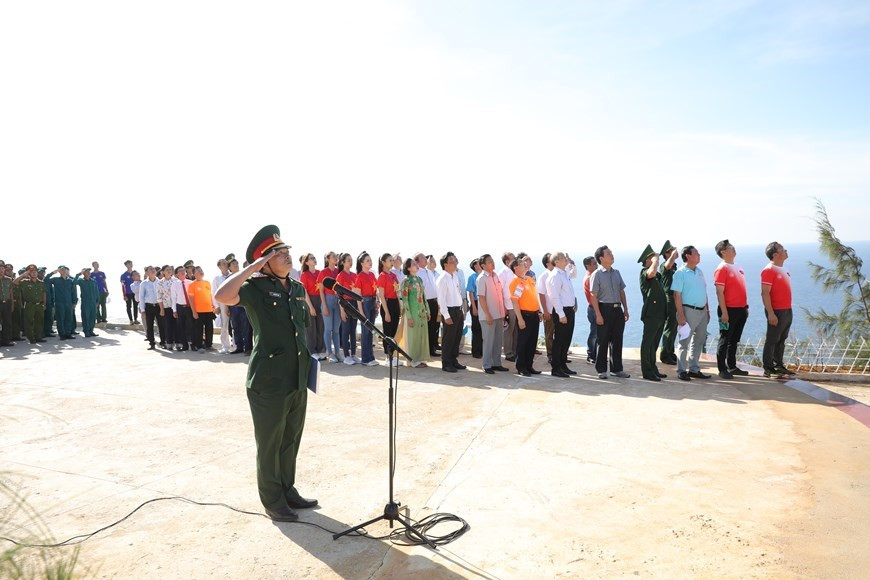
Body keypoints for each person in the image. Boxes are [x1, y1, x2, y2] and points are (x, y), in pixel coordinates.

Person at [214, 225, 316, 523]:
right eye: (278, 254)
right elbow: (223, 295)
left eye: (287, 251)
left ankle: (288, 490)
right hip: (269, 380)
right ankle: (273, 501)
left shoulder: (296, 289)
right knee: (270, 443)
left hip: (296, 376)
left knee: (290, 439)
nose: (287, 256)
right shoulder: (254, 288)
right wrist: (255, 267)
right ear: (264, 260)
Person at [589, 246, 631, 380]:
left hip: (617, 309)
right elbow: (593, 296)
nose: (612, 255)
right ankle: (601, 370)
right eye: (608, 254)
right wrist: (598, 315)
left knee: (618, 340)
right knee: (603, 341)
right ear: (601, 258)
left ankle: (617, 369)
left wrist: (625, 309)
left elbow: (621, 291)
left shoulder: (616, 272)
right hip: (604, 309)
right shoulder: (597, 274)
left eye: (611, 253)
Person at [671, 245, 710, 381]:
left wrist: (707, 309)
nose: (699, 255)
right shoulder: (680, 273)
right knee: (684, 342)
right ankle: (681, 370)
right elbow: (677, 295)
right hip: (688, 311)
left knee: (699, 341)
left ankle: (694, 368)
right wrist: (681, 314)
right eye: (696, 253)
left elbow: (704, 291)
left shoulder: (699, 271)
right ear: (688, 256)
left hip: (702, 311)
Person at [713, 240, 750, 379]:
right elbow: (719, 292)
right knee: (725, 339)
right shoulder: (722, 268)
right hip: (728, 309)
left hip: (741, 309)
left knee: (734, 340)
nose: (733, 249)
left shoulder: (738, 266)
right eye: (730, 247)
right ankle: (722, 369)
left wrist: (745, 307)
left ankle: (732, 366)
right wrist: (724, 312)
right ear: (723, 252)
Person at [761, 241, 795, 379]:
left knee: (782, 339)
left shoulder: (784, 269)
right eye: (782, 249)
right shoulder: (769, 270)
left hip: (787, 309)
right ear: (775, 254)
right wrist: (770, 313)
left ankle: (778, 365)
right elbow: (765, 293)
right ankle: (768, 367)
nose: (785, 251)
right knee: (772, 339)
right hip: (776, 311)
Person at [638, 246, 667, 382]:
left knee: (654, 343)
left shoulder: (657, 275)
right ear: (647, 260)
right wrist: (655, 260)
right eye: (652, 258)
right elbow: (652, 272)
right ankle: (647, 371)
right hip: (652, 314)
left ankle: (653, 368)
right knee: (648, 343)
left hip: (661, 313)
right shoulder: (644, 272)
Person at [509, 258, 542, 377]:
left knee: (532, 342)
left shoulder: (529, 279)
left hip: (534, 314)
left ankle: (529, 365)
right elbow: (515, 302)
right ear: (516, 268)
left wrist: (539, 311)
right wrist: (520, 319)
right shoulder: (517, 282)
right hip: (525, 315)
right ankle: (521, 367)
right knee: (523, 342)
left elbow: (534, 296)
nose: (525, 265)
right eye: (522, 264)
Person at [476, 254, 508, 374]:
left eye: (492, 261)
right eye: (489, 262)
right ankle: (487, 364)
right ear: (483, 265)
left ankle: (497, 363)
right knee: (488, 341)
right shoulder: (481, 279)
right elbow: (481, 298)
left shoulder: (495, 276)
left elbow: (500, 293)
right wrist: (488, 314)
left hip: (498, 314)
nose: (492, 263)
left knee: (498, 341)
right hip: (488, 316)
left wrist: (503, 309)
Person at [546, 252, 577, 378]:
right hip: (562, 311)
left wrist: (572, 263)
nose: (566, 260)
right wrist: (561, 314)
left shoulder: (564, 273)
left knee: (566, 339)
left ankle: (563, 365)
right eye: (563, 258)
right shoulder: (555, 276)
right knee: (559, 340)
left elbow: (574, 274)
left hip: (569, 310)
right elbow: (554, 296)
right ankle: (556, 367)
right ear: (557, 261)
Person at [436, 252, 465, 373]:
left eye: (455, 261)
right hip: (449, 311)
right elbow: (441, 299)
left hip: (457, 310)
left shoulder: (455, 276)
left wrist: (462, 310)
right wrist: (446, 315)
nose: (455, 263)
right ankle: (446, 363)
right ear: (445, 265)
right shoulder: (443, 279)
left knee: (456, 337)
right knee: (448, 339)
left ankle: (453, 360)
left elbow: (458, 293)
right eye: (452, 262)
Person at [400, 258, 430, 368]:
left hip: (421, 312)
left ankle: (420, 358)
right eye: (413, 264)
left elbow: (423, 296)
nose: (416, 265)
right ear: (408, 268)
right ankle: (412, 360)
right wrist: (409, 317)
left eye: (416, 263)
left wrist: (427, 310)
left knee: (421, 335)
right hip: (412, 312)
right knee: (412, 337)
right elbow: (405, 300)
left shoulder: (419, 279)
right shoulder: (405, 282)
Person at [376, 253, 403, 366]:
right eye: (389, 260)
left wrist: (400, 307)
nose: (392, 263)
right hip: (387, 304)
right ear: (383, 262)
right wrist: (386, 312)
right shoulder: (382, 276)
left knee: (394, 331)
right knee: (387, 332)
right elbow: (381, 295)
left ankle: (393, 356)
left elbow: (397, 292)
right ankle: (388, 357)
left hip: (395, 304)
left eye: (393, 260)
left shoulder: (393, 275)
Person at [300, 253, 326, 360]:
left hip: (320, 299)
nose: (314, 260)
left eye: (314, 258)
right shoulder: (304, 275)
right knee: (311, 328)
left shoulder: (320, 273)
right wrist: (310, 307)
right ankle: (312, 350)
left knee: (321, 326)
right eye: (311, 258)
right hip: (310, 300)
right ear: (306, 262)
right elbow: (304, 292)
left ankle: (321, 350)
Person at [355, 252, 379, 366]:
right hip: (365, 303)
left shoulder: (372, 275)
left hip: (372, 302)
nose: (370, 262)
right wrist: (361, 312)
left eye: (370, 260)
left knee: (371, 331)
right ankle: (365, 358)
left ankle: (371, 356)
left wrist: (377, 304)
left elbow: (376, 291)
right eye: (367, 260)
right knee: (365, 332)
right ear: (362, 263)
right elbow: (358, 297)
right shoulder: (359, 276)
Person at [414, 252, 441, 357]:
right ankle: (425, 350)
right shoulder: (418, 273)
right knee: (426, 327)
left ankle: (431, 348)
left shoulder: (429, 272)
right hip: (425, 302)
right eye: (423, 258)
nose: (426, 260)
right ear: (417, 261)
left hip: (434, 301)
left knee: (433, 326)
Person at [317, 251, 341, 362]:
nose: (336, 258)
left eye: (336, 257)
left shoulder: (338, 272)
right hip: (327, 299)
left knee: (336, 329)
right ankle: (330, 353)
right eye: (333, 257)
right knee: (328, 329)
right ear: (328, 259)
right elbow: (321, 291)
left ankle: (337, 352)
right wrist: (324, 306)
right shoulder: (323, 272)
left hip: (338, 301)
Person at [336, 253, 359, 365]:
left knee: (353, 330)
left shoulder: (355, 275)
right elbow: (339, 295)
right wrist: (342, 310)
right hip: (345, 303)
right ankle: (346, 355)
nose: (350, 262)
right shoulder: (340, 276)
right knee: (345, 330)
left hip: (354, 302)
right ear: (342, 262)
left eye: (351, 260)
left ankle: (353, 354)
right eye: (348, 260)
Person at [13, 265, 46, 344]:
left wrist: (44, 304)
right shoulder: (25, 282)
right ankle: (31, 338)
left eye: (35, 272)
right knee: (29, 322)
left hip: (39, 305)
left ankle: (38, 337)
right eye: (31, 272)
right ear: (29, 273)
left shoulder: (41, 283)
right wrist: (23, 275)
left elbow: (44, 294)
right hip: (29, 305)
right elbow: (14, 282)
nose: (34, 274)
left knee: (39, 321)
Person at [658, 241, 679, 365]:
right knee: (670, 327)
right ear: (666, 254)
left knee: (674, 327)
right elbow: (668, 265)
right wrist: (673, 255)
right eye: (671, 251)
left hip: (675, 297)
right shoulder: (664, 265)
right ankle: (665, 354)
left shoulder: (675, 266)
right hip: (669, 298)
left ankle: (670, 351)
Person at [189, 266, 216, 352]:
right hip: (198, 311)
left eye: (201, 270)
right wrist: (194, 312)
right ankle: (199, 345)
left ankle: (209, 345)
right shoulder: (192, 285)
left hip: (209, 310)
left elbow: (210, 296)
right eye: (198, 271)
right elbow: (191, 299)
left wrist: (213, 306)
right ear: (194, 274)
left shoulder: (207, 283)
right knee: (198, 329)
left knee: (209, 329)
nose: (201, 272)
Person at [227, 258, 251, 355]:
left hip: (244, 306)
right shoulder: (228, 279)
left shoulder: (244, 275)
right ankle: (239, 347)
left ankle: (248, 348)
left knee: (246, 328)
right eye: (233, 264)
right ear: (229, 268)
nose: (236, 265)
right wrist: (227, 308)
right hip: (233, 307)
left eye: (237, 263)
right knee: (236, 328)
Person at [498, 252, 518, 361]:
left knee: (516, 330)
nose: (515, 259)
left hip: (516, 306)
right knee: (509, 330)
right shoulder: (503, 272)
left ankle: (515, 351)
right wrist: (503, 307)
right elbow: (499, 291)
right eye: (513, 258)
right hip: (508, 306)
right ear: (507, 261)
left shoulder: (514, 272)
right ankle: (508, 353)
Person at [49, 266, 77, 340]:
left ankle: (68, 333)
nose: (64, 271)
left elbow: (73, 292)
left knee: (69, 318)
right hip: (59, 303)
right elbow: (46, 280)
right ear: (59, 271)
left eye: (65, 270)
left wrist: (74, 302)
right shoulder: (56, 280)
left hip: (69, 303)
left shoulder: (70, 281)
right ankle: (62, 334)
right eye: (62, 270)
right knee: (60, 319)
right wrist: (52, 273)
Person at [213, 258, 233, 354]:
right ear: (219, 266)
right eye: (223, 264)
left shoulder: (233, 275)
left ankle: (237, 344)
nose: (226, 265)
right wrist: (216, 306)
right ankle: (225, 346)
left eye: (226, 263)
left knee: (235, 325)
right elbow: (214, 293)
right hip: (223, 304)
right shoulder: (217, 279)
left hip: (234, 302)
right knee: (224, 325)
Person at [171, 266, 193, 351]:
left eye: (183, 270)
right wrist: (174, 310)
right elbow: (173, 297)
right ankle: (185, 345)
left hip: (189, 307)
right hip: (180, 307)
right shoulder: (175, 284)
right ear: (176, 274)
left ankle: (192, 343)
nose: (183, 272)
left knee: (190, 326)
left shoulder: (190, 283)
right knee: (181, 327)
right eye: (180, 271)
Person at [74, 267, 100, 338]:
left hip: (93, 302)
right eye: (86, 272)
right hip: (86, 302)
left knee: (93, 317)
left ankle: (91, 331)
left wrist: (98, 301)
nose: (88, 273)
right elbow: (74, 282)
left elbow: (97, 292)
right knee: (86, 317)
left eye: (89, 272)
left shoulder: (93, 281)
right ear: (83, 273)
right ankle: (86, 331)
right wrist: (78, 274)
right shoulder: (81, 281)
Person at [537, 254, 554, 364]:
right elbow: (541, 294)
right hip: (549, 310)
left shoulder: (559, 274)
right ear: (547, 263)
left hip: (559, 310)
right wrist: (545, 311)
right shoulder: (543, 276)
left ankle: (560, 354)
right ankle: (551, 355)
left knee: (560, 333)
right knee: (549, 334)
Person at [155, 265, 175, 349]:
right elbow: (159, 297)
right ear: (162, 272)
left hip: (175, 307)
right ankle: (169, 343)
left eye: (170, 270)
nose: (169, 271)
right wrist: (161, 309)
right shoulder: (160, 283)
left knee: (176, 325)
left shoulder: (176, 281)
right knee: (167, 326)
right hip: (166, 307)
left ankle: (178, 343)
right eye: (167, 270)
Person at [466, 258, 483, 359]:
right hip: (476, 303)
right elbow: (471, 292)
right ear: (475, 266)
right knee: (476, 328)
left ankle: (482, 350)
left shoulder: (485, 276)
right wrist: (474, 307)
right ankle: (476, 351)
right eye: (478, 264)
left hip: (484, 303)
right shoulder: (472, 277)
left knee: (483, 328)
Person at [0, 260, 14, 346]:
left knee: (7, 322)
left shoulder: (8, 280)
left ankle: (6, 341)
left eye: (2, 268)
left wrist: (12, 304)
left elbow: (11, 292)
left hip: (7, 303)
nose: (1, 270)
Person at [120, 260, 138, 324]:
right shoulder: (124, 275)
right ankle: (131, 320)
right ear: (126, 265)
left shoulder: (136, 273)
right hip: (128, 293)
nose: (130, 265)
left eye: (131, 263)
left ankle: (136, 319)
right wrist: (124, 295)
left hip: (135, 293)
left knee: (136, 306)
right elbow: (123, 285)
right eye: (128, 264)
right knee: (128, 306)